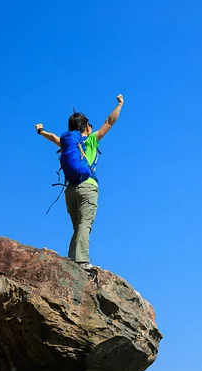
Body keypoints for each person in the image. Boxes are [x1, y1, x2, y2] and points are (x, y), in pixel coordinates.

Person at [35, 94, 124, 268]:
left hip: (70, 191)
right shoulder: (91, 139)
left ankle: (71, 260)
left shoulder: (68, 143)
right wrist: (120, 104)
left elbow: (53, 137)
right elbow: (109, 122)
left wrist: (40, 131)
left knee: (78, 228)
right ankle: (82, 261)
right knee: (85, 225)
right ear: (87, 128)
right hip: (88, 187)